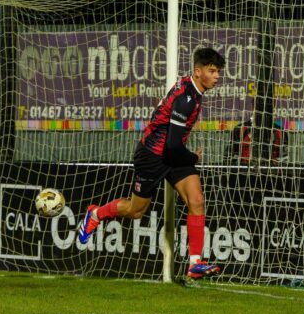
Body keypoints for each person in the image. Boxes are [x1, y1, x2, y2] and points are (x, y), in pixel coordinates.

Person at [78, 47, 225, 279]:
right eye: (212, 71)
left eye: (218, 72)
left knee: (196, 199)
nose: (217, 76)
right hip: (152, 156)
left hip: (172, 155)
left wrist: (186, 158)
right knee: (135, 211)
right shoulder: (186, 99)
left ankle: (195, 262)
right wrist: (193, 158)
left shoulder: (192, 89)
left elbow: (174, 146)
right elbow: (173, 146)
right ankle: (95, 214)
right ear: (198, 72)